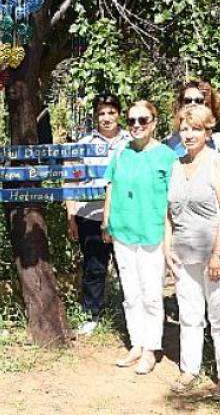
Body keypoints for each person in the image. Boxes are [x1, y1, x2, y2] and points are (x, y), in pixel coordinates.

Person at [164, 105, 220, 395]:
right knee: (189, 315)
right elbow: (168, 213)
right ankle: (189, 370)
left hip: (215, 253)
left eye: (195, 128)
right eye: (184, 128)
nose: (189, 134)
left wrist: (218, 254)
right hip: (183, 253)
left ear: (208, 131)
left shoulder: (217, 161)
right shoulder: (175, 165)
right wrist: (167, 248)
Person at [102, 100, 177, 375]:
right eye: (132, 120)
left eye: (142, 120)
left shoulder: (167, 157)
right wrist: (106, 222)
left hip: (152, 234)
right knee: (131, 294)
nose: (136, 125)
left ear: (154, 123)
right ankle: (136, 344)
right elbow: (111, 187)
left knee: (151, 295)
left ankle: (150, 349)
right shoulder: (121, 153)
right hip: (123, 232)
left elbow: (172, 201)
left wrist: (170, 238)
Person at [64, 94, 131, 335]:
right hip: (90, 215)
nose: (106, 118)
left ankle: (132, 317)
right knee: (94, 268)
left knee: (128, 268)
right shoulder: (84, 144)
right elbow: (71, 181)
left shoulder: (131, 142)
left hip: (124, 216)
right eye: (101, 113)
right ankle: (92, 315)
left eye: (111, 112)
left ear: (119, 114)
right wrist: (71, 216)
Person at [165, 80, 220, 157]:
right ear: (181, 104)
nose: (193, 104)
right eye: (187, 101)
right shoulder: (170, 142)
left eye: (199, 101)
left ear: (207, 105)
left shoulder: (219, 142)